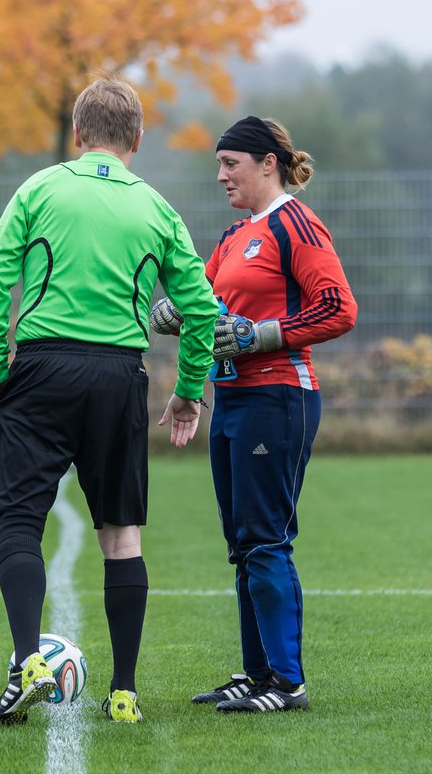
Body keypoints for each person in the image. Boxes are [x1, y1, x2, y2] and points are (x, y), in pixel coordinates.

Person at [0, 77, 218, 727]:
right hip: (118, 376)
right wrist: (188, 392)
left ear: (77, 135)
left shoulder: (40, 188)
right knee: (121, 533)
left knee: (20, 521)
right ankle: (125, 692)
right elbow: (201, 310)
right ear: (138, 139)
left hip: (43, 368)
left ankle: (29, 660)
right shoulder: (157, 210)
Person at [149, 116, 357, 712]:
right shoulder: (235, 236)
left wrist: (265, 335)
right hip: (232, 399)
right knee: (243, 543)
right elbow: (204, 302)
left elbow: (339, 309)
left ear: (268, 163)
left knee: (266, 541)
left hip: (278, 399)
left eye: (230, 164)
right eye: (218, 164)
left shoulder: (298, 225)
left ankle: (287, 684)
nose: (220, 175)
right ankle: (256, 672)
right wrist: (175, 314)